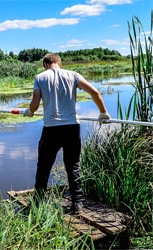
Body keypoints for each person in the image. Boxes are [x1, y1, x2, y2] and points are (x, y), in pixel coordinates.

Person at [24, 53, 110, 213]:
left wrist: (29, 111)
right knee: (73, 166)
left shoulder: (40, 77)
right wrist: (103, 112)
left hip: (51, 129)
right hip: (72, 127)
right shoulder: (73, 75)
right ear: (59, 63)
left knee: (43, 167)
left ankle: (37, 203)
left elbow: (35, 104)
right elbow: (95, 93)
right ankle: (78, 204)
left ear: (45, 64)